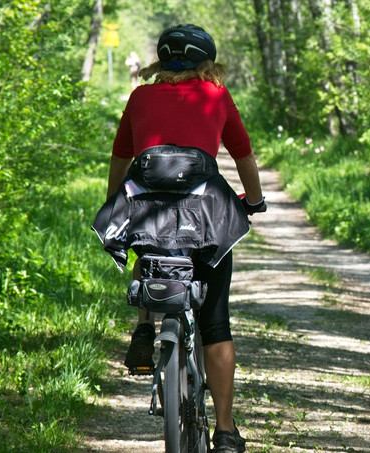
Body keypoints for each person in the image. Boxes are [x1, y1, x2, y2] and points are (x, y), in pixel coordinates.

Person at [104, 24, 265, 453]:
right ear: (207, 62)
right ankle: (226, 432)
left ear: (161, 60)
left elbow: (122, 158)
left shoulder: (139, 97)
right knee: (215, 323)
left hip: (147, 212)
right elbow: (243, 154)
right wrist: (255, 202)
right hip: (205, 215)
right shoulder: (215, 95)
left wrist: (114, 204)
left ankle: (144, 323)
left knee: (149, 244)